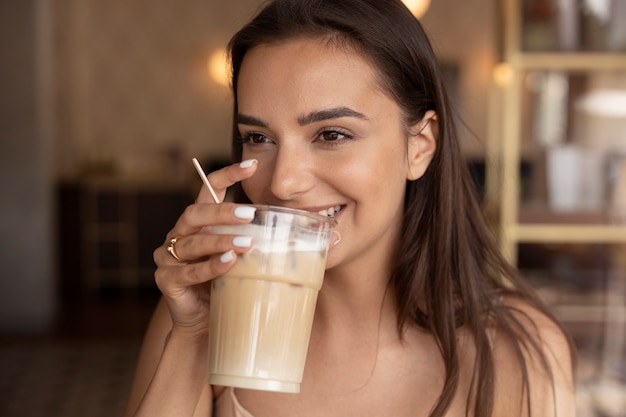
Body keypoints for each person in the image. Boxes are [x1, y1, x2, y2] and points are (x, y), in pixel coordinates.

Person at [123, 0, 576, 415]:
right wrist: (193, 340)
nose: (283, 182)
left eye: (331, 134)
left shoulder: (515, 351)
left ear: (419, 146)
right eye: (258, 138)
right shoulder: (203, 313)